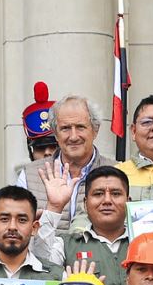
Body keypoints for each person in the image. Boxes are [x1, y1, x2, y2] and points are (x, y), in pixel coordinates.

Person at [36, 164, 132, 285]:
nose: (107, 200)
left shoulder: (144, 243)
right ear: (86, 204)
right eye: (98, 194)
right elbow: (40, 265)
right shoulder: (67, 244)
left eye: (116, 194)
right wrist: (54, 207)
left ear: (128, 202)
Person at [18, 95, 109, 225]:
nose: (73, 136)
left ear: (95, 130)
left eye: (80, 127)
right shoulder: (29, 175)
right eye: (65, 128)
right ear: (55, 134)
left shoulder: (117, 171)